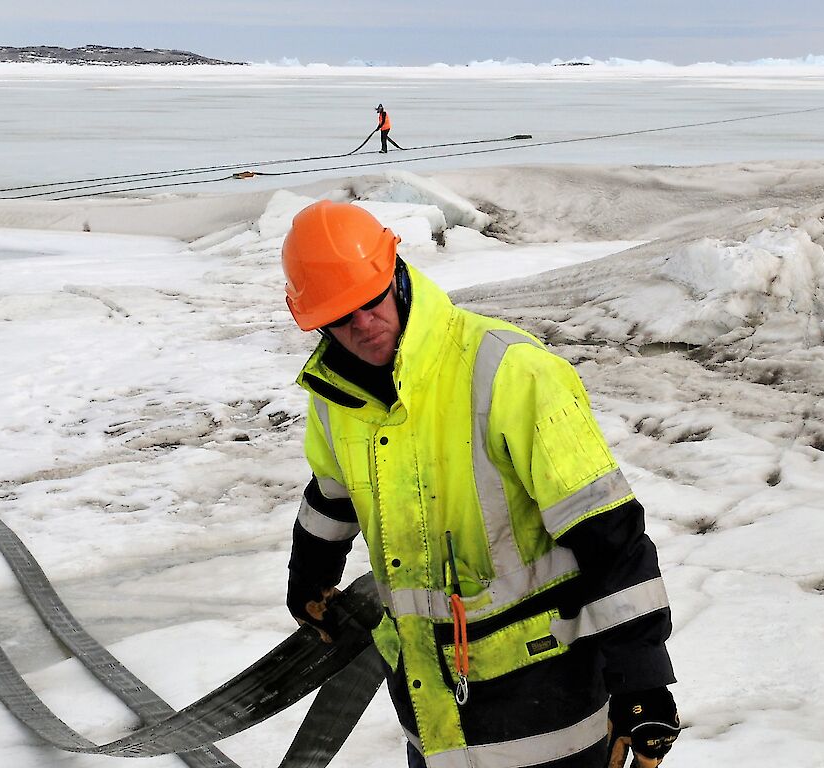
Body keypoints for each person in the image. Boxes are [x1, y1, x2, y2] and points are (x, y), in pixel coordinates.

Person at [281, 201, 679, 768]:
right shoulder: (336, 401)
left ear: (395, 275)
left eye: (371, 302)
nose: (363, 325)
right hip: (432, 711)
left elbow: (606, 528)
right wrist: (309, 579)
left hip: (548, 708)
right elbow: (332, 494)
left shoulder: (508, 371)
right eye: (340, 317)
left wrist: (642, 682)